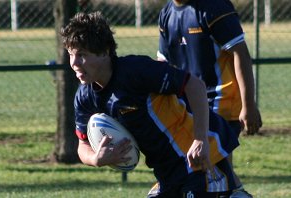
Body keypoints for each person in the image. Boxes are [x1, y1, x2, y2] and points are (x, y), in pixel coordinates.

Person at [61, 11, 240, 197]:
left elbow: (195, 85)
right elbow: (83, 145)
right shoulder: (85, 97)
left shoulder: (137, 71)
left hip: (198, 157)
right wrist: (96, 158)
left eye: (81, 54)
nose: (74, 63)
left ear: (105, 51)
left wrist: (200, 139)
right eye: (70, 54)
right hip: (166, 171)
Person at [156, 0, 263, 197]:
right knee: (215, 171)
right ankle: (236, 193)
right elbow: (163, 63)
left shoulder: (214, 7)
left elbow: (241, 52)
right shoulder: (166, 14)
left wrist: (248, 105)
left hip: (222, 102)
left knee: (205, 167)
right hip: (189, 104)